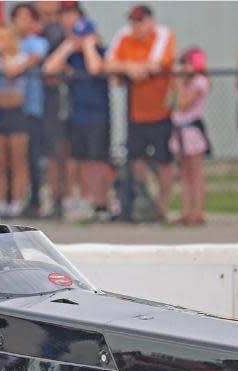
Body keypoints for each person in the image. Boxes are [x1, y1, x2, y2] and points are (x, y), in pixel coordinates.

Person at [43, 3, 112, 221]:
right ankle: (88, 202)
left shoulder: (100, 51)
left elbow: (94, 68)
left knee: (98, 160)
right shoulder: (70, 55)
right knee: (81, 160)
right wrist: (69, 45)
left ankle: (102, 204)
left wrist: (89, 44)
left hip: (98, 115)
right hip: (76, 114)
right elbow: (48, 69)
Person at [107, 4, 176, 219]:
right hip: (135, 114)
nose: (136, 26)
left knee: (164, 161)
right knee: (136, 159)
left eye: (141, 20)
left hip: (161, 112)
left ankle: (163, 207)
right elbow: (108, 64)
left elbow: (156, 65)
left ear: (150, 21)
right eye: (133, 21)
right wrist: (130, 68)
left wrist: (128, 67)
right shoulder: (124, 36)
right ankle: (146, 199)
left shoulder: (163, 34)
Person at [7, 3, 49, 217]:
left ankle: (33, 201)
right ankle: (9, 201)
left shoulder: (38, 43)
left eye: (26, 17)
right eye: (18, 17)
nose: (21, 22)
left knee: (32, 158)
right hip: (9, 107)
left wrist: (9, 65)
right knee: (9, 158)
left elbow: (15, 68)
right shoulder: (8, 41)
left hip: (32, 107)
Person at [36, 1, 72, 218]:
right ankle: (54, 197)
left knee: (65, 151)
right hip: (47, 101)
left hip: (66, 100)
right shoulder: (43, 30)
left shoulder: (69, 31)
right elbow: (46, 69)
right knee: (52, 151)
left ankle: (65, 198)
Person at [169, 47, 210, 226]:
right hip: (178, 130)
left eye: (187, 63)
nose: (184, 67)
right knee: (184, 173)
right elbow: (169, 103)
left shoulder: (200, 82)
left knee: (195, 172)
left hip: (192, 130)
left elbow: (184, 104)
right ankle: (186, 211)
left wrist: (178, 86)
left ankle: (198, 212)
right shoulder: (182, 83)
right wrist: (175, 85)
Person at [0, 22, 29, 218]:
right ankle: (0, 201)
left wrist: (4, 57)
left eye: (5, 38)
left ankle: (16, 201)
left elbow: (12, 75)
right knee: (0, 161)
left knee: (17, 161)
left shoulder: (21, 58)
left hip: (16, 113)